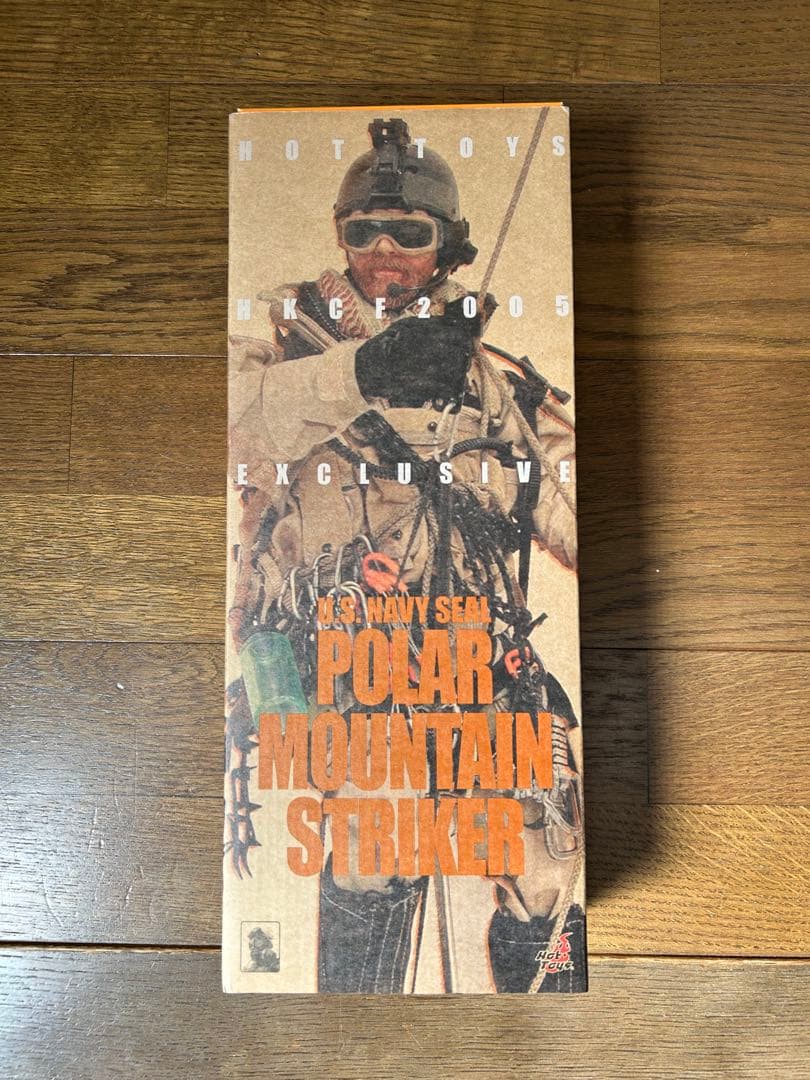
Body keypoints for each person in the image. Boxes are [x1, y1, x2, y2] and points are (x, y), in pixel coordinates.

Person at [226, 117, 586, 993]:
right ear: (340, 237)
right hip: (349, 658)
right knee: (370, 855)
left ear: (447, 246)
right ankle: (358, 1036)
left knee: (547, 861)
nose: (383, 253)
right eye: (364, 232)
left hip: (479, 654)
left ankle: (548, 1023)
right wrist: (363, 372)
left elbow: (569, 501)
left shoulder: (492, 378)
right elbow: (227, 424)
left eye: (408, 233)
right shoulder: (281, 344)